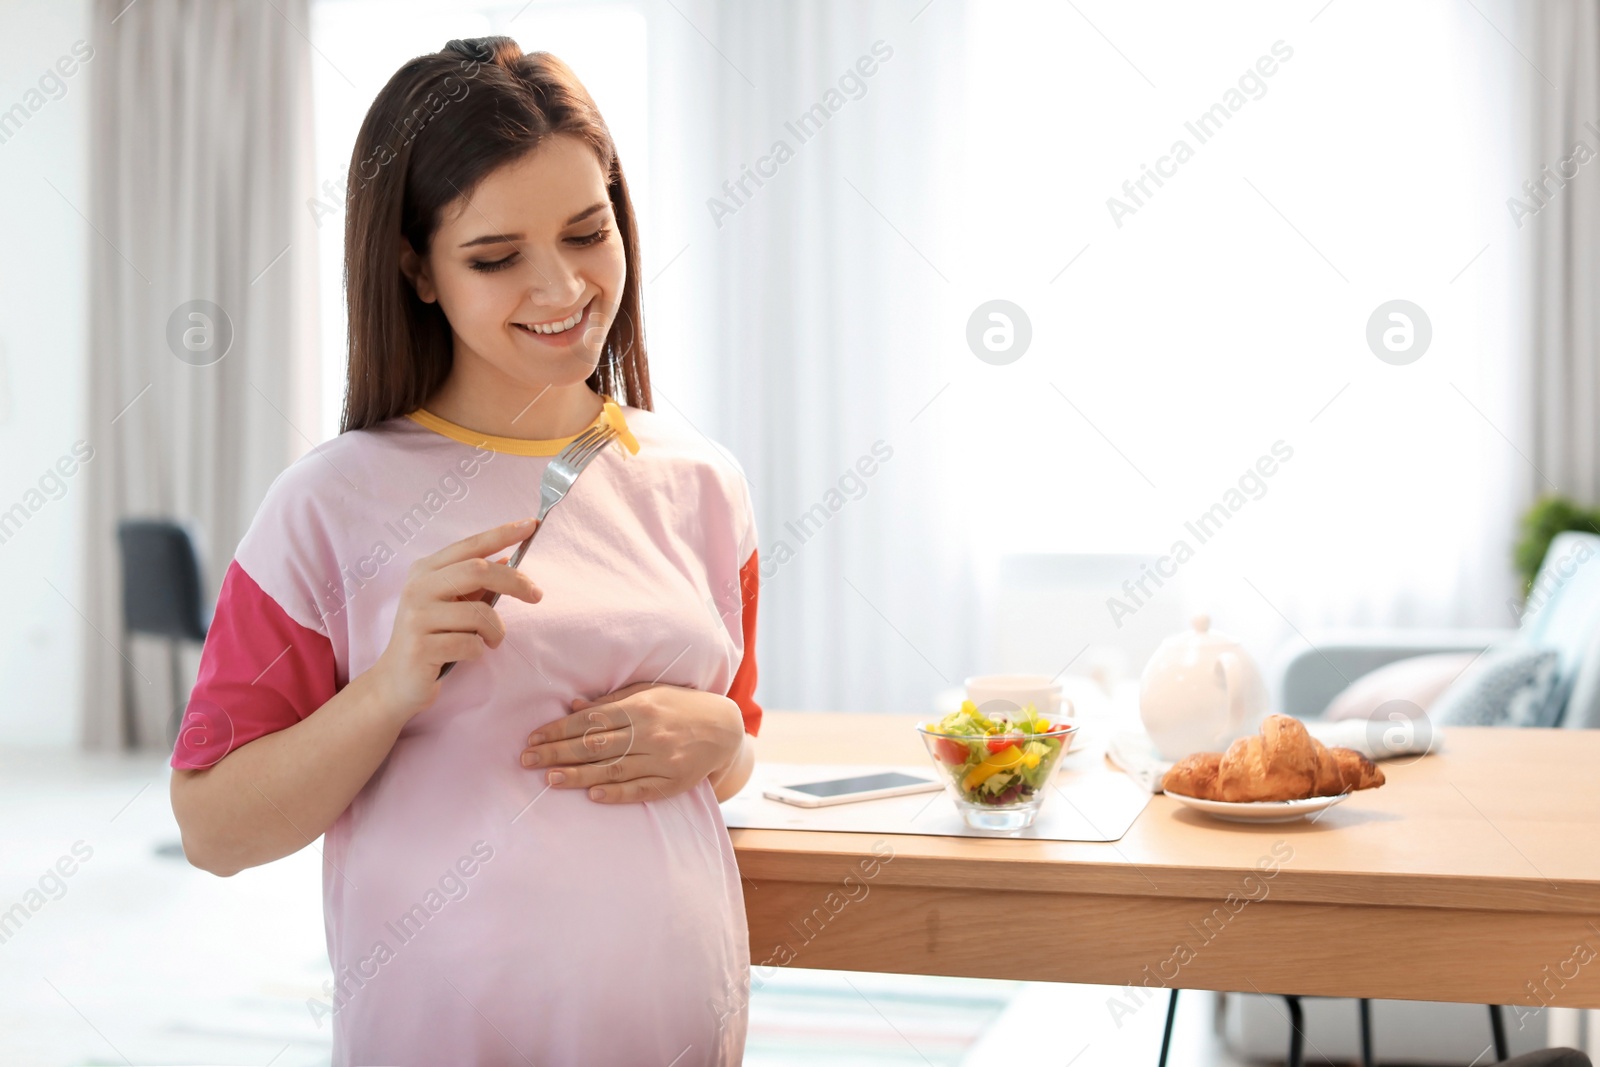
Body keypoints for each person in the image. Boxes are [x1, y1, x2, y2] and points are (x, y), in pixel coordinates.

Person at [168, 36, 760, 1066]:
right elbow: (214, 829)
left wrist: (718, 736)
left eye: (589, 232)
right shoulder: (328, 504)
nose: (563, 286)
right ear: (417, 268)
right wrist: (391, 684)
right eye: (496, 257)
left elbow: (741, 747)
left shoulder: (701, 481)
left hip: (676, 1030)